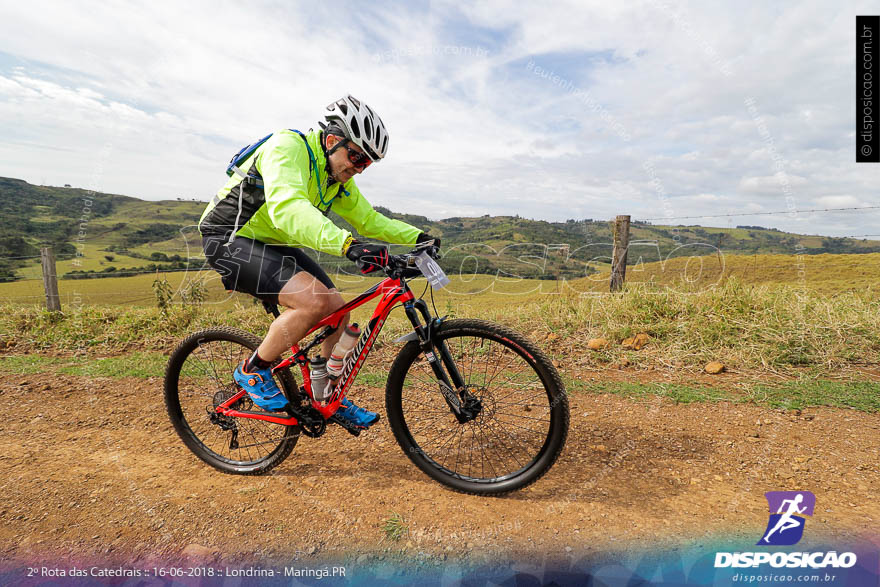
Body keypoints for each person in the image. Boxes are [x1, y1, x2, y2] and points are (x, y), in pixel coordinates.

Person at [198, 95, 439, 428]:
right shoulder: (288, 147)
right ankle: (252, 370)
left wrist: (418, 238)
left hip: (271, 242)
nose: (357, 167)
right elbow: (289, 207)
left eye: (366, 163)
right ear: (331, 140)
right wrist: (348, 245)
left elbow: (368, 219)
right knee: (313, 303)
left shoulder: (335, 178)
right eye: (356, 156)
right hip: (228, 237)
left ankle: (325, 396)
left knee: (338, 312)